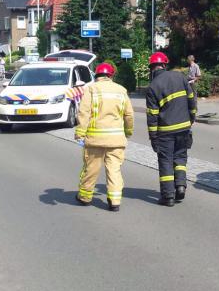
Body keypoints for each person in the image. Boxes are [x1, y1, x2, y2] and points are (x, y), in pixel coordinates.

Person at [75, 63, 134, 212]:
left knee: (91, 169)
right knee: (114, 170)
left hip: (95, 139)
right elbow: (129, 115)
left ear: (97, 76)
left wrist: (80, 133)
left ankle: (85, 197)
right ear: (111, 76)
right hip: (116, 140)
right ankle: (114, 201)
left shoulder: (91, 89)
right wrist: (128, 131)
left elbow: (84, 112)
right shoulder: (121, 90)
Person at [146, 52, 196, 207]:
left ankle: (168, 196)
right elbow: (191, 100)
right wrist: (191, 119)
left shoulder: (153, 86)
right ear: (165, 64)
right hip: (183, 127)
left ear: (152, 68)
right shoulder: (180, 76)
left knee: (166, 161)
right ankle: (180, 186)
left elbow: (152, 116)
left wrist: (153, 137)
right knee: (180, 158)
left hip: (165, 131)